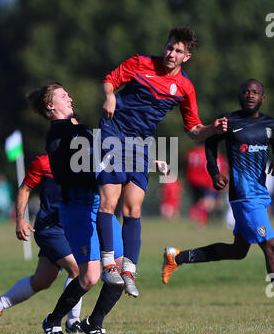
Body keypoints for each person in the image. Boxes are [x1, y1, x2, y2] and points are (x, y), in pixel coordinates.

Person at [96, 25, 227, 297]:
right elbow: (110, 79)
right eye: (169, 47)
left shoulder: (184, 88)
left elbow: (193, 129)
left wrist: (212, 128)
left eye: (178, 51)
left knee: (133, 209)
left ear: (186, 57)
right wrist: (110, 96)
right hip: (113, 131)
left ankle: (128, 271)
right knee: (110, 201)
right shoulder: (141, 62)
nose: (171, 53)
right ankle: (108, 265)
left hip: (141, 144)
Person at [27, 83, 125, 334]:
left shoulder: (77, 130)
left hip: (100, 206)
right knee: (90, 276)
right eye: (62, 95)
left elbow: (105, 153)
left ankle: (95, 322)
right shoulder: (58, 135)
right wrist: (103, 166)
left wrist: (146, 162)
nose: (69, 97)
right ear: (50, 106)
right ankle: (54, 320)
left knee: (121, 269)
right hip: (77, 209)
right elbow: (80, 169)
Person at [162, 78, 274, 284]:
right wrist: (214, 172)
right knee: (271, 247)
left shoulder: (269, 124)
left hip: (260, 195)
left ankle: (176, 258)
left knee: (238, 251)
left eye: (255, 92)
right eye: (246, 92)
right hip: (244, 197)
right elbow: (210, 144)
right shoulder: (228, 121)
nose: (250, 95)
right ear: (240, 96)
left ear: (262, 98)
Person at [0, 154, 82, 334]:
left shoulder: (84, 161)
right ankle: (72, 321)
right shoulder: (43, 162)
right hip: (49, 229)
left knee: (42, 280)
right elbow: (24, 189)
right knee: (78, 270)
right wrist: (20, 219)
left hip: (70, 229)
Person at [185, 145, 228, 226]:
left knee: (200, 202)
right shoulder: (216, 158)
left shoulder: (193, 151)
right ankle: (200, 219)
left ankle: (197, 217)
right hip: (206, 182)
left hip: (193, 180)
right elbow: (213, 169)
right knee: (207, 203)